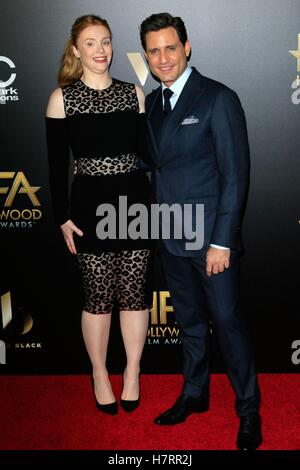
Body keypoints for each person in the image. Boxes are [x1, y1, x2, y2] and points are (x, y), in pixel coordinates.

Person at [140, 12, 262, 450]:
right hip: (169, 239)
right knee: (190, 324)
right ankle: (195, 394)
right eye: (154, 50)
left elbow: (236, 175)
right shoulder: (151, 104)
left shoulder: (217, 98)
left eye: (170, 47)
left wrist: (222, 241)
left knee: (227, 324)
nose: (163, 57)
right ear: (147, 56)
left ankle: (249, 409)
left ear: (187, 47)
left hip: (212, 242)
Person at [46, 14, 152, 415]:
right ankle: (98, 373)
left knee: (135, 293)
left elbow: (147, 154)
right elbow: (57, 167)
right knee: (98, 297)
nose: (100, 50)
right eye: (90, 43)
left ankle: (132, 372)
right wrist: (62, 216)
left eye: (105, 42)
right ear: (76, 50)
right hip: (89, 206)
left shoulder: (133, 94)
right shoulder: (62, 99)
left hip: (135, 202)